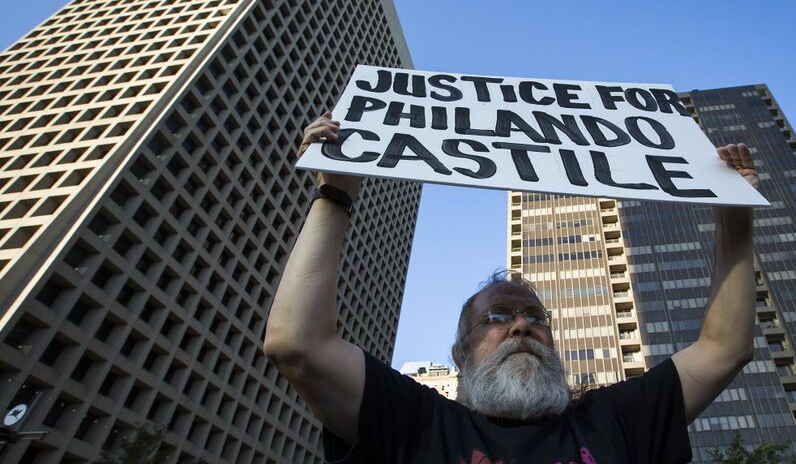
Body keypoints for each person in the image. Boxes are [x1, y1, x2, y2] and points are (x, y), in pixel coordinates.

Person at [264, 111, 760, 463]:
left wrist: (735, 218)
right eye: (497, 317)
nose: (523, 324)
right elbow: (297, 344)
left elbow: (724, 348)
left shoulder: (614, 420)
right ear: (459, 354)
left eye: (536, 317)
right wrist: (335, 193)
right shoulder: (416, 421)